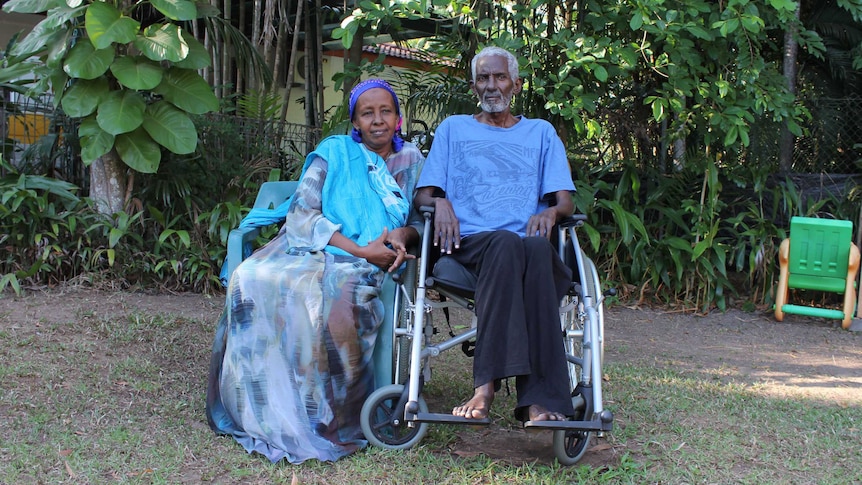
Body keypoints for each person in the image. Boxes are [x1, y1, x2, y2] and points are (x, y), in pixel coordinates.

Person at [206, 79, 425, 463]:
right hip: (317, 245)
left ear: (398, 117)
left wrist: (393, 242)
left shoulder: (413, 161)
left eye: (385, 111)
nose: (377, 121)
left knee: (338, 297)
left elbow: (418, 218)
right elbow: (303, 213)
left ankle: (333, 418)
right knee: (251, 278)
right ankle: (255, 405)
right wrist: (359, 248)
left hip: (371, 259)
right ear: (355, 122)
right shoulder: (334, 152)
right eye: (367, 113)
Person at [413, 46, 576, 423]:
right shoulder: (454, 128)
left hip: (524, 249)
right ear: (473, 86)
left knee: (534, 250)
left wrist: (551, 211)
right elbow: (424, 194)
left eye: (499, 77)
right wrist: (439, 203)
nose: (492, 86)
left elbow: (565, 202)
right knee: (505, 241)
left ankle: (540, 402)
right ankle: (484, 387)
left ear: (516, 84)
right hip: (468, 245)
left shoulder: (541, 133)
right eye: (483, 78)